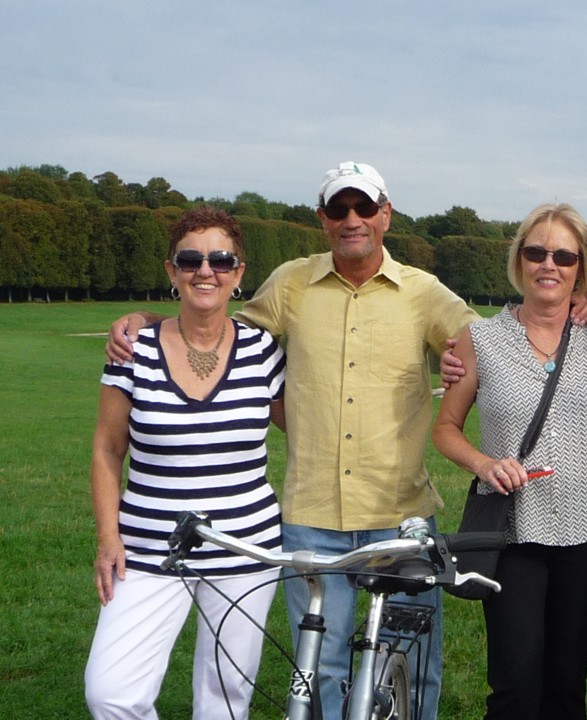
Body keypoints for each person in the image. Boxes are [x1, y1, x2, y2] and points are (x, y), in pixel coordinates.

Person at [105, 162, 478, 720]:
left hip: (401, 511)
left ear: (385, 214)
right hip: (312, 514)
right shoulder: (293, 282)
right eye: (338, 209)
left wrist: (573, 303)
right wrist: (147, 320)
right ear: (323, 219)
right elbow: (217, 326)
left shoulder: (423, 293)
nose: (352, 219)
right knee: (319, 666)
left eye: (363, 208)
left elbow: (485, 341)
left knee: (410, 662)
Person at [86, 207, 286, 719]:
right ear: (172, 270)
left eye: (221, 259)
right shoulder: (134, 350)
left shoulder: (263, 350)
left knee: (225, 698)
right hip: (150, 549)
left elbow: (311, 429)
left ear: (239, 273)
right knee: (112, 693)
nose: (205, 270)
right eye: (190, 259)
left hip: (245, 547)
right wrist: (109, 537)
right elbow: (109, 449)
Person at [433, 203, 587, 720]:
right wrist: (485, 464)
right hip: (513, 536)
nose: (548, 265)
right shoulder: (480, 339)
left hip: (586, 535)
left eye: (563, 255)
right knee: (514, 685)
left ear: (580, 267)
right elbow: (444, 429)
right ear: (519, 261)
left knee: (566, 686)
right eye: (536, 252)